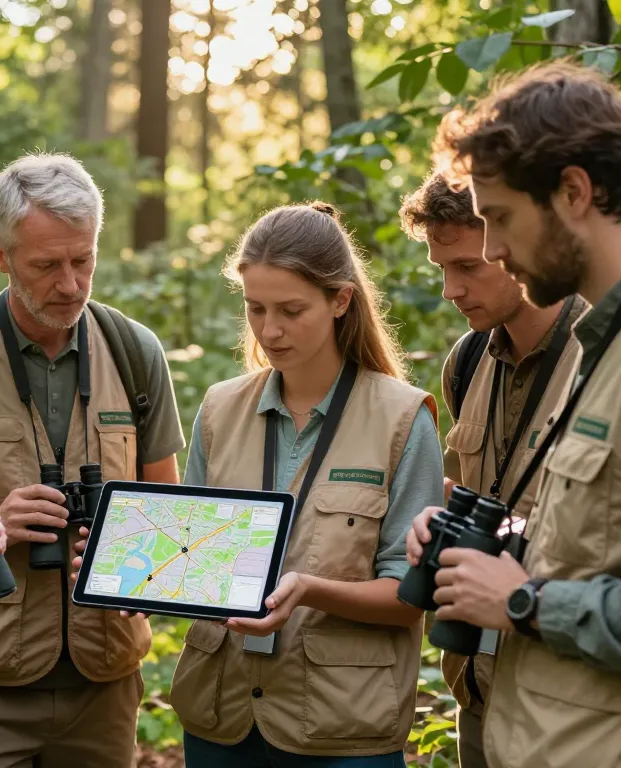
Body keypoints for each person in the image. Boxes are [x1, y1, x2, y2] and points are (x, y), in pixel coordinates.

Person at [409, 61, 621, 768]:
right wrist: (489, 545)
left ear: (573, 191)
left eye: (501, 218)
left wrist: (523, 603)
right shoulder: (601, 340)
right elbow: (605, 542)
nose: (492, 250)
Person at [0, 152, 186, 768]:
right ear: (0, 256)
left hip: (105, 690)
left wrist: (132, 551)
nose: (70, 284)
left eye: (84, 261)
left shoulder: (134, 353)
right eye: (47, 265)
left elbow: (170, 518)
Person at [166, 202, 444, 767]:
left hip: (343, 729)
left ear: (341, 300)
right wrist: (139, 579)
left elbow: (409, 597)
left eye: (292, 310)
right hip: (222, 721)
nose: (270, 330)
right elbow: (193, 560)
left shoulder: (401, 420)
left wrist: (309, 590)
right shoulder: (220, 410)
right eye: (256, 308)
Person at [397, 172, 586, 768]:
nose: (451, 290)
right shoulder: (469, 359)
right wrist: (436, 516)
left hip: (576, 710)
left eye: (468, 266)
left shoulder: (608, 356)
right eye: (441, 269)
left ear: (516, 242)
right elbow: (469, 493)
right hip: (476, 697)